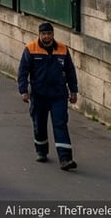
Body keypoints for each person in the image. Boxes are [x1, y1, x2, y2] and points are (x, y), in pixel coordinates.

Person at [17, 22, 80, 171]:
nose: (46, 36)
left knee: (60, 124)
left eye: (49, 34)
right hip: (39, 95)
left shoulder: (63, 50)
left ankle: (65, 158)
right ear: (39, 34)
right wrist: (23, 90)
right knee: (39, 124)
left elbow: (70, 72)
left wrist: (73, 91)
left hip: (58, 94)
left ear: (53, 34)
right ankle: (41, 150)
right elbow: (23, 71)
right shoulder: (31, 49)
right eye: (44, 34)